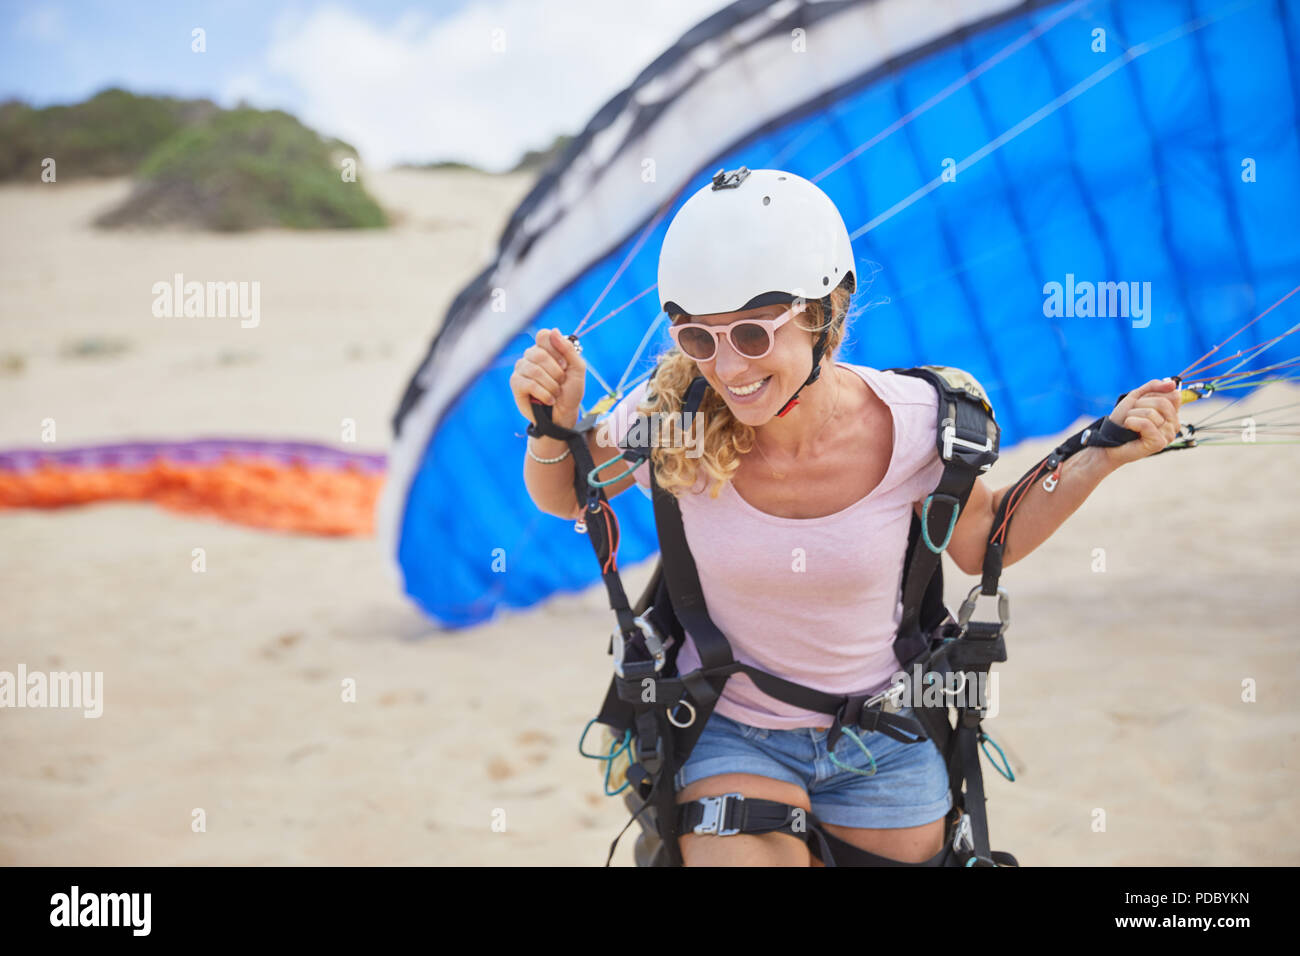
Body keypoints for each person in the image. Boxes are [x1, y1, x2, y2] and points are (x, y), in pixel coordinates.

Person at [511, 167, 1181, 867]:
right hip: (732, 729)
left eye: (751, 333)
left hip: (883, 738)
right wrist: (549, 429)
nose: (726, 366)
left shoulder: (924, 426)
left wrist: (1099, 456)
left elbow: (985, 540)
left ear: (825, 313)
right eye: (698, 339)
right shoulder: (670, 416)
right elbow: (566, 495)